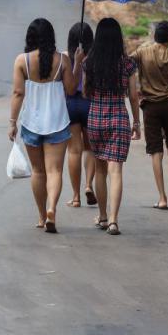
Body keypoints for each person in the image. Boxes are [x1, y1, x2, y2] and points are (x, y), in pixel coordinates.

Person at [8, 18, 82, 233]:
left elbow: (18, 93)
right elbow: (70, 90)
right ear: (51, 36)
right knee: (55, 170)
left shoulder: (22, 61)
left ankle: (42, 216)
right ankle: (52, 208)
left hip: (31, 123)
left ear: (30, 37)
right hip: (58, 122)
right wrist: (76, 62)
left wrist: (12, 122)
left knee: (38, 172)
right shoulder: (62, 61)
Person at [85, 17, 142, 236]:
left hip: (96, 118)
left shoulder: (89, 62)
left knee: (100, 169)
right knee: (115, 169)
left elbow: (85, 93)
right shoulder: (127, 63)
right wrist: (136, 123)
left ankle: (102, 215)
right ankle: (114, 221)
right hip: (118, 117)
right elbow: (134, 96)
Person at [131, 21, 168, 210]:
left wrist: (136, 87)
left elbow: (127, 63)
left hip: (150, 107)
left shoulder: (142, 52)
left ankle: (162, 198)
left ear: (154, 35)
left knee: (155, 150)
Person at [63, 22, 96, 208]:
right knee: (90, 148)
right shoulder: (95, 58)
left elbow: (64, 85)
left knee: (74, 150)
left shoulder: (65, 57)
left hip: (71, 103)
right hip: (90, 102)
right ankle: (88, 185)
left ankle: (75, 197)